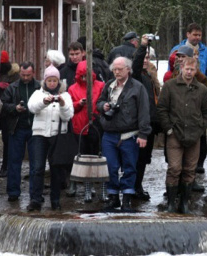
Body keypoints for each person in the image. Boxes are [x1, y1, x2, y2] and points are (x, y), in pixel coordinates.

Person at [157, 57, 207, 214]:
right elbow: (161, 109)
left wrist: (201, 129)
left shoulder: (201, 89)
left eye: (192, 69)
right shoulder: (169, 86)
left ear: (196, 70)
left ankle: (184, 203)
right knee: (174, 168)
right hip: (174, 133)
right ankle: (170, 204)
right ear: (181, 68)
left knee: (190, 169)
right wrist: (168, 128)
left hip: (194, 135)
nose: (189, 72)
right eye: (187, 69)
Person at [96, 57, 151, 212]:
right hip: (109, 133)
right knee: (110, 167)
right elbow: (98, 103)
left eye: (120, 69)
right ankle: (113, 197)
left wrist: (143, 134)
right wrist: (104, 106)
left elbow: (144, 112)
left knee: (129, 167)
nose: (117, 72)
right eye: (114, 69)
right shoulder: (109, 85)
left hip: (130, 134)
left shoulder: (138, 88)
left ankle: (126, 198)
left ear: (128, 69)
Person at [26, 65, 74, 211]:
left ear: (58, 81)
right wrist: (44, 102)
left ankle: (55, 200)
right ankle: (35, 199)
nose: (52, 83)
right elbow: (32, 108)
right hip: (39, 135)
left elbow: (68, 116)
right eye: (49, 80)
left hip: (57, 136)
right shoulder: (37, 94)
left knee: (56, 169)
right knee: (37, 168)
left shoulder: (65, 95)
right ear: (45, 81)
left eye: (54, 80)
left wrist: (62, 104)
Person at [1, 61, 41, 202]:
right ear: (20, 74)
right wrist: (15, 108)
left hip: (35, 128)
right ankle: (13, 192)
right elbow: (3, 105)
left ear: (33, 73)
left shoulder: (39, 87)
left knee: (36, 163)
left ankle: (35, 194)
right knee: (14, 161)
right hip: (17, 128)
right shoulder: (12, 88)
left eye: (28, 75)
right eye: (23, 75)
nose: (25, 77)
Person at [68, 60, 105, 203]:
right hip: (79, 126)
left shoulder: (100, 86)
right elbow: (70, 107)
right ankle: (79, 183)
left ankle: (94, 184)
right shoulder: (72, 89)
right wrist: (79, 104)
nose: (85, 79)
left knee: (95, 155)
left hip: (95, 125)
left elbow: (102, 102)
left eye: (87, 76)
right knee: (80, 156)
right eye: (82, 76)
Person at [132, 34, 161, 201]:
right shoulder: (135, 76)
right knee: (136, 159)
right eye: (143, 57)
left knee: (143, 160)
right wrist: (142, 47)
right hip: (138, 125)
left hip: (150, 125)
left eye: (148, 57)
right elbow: (136, 64)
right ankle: (133, 187)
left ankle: (138, 186)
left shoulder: (150, 77)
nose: (145, 60)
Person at [0, 50, 20, 178]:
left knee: (7, 141)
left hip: (7, 113)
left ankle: (5, 167)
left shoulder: (14, 75)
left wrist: (8, 87)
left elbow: (16, 89)